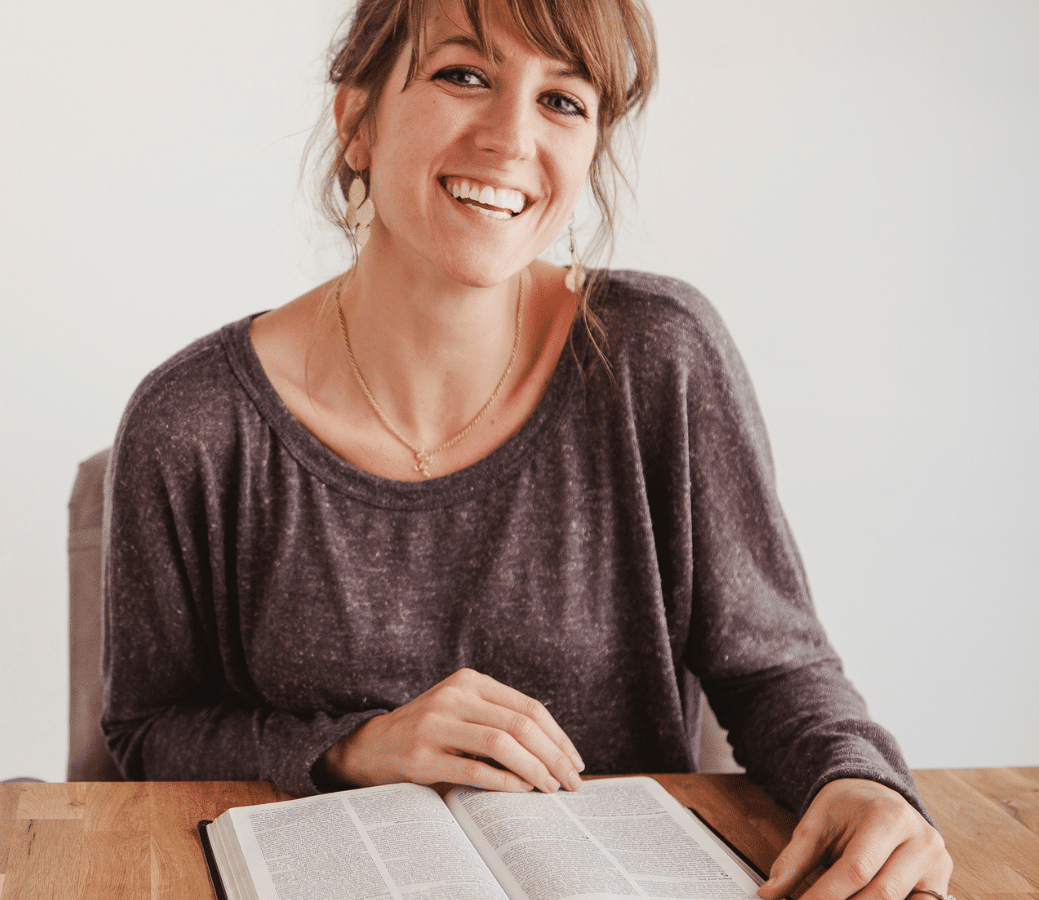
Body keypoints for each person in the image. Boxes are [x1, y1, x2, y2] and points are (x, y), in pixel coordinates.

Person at [100, 1, 953, 898]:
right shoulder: (190, 422)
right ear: (358, 119)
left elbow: (776, 669)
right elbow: (148, 732)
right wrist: (353, 746)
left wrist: (858, 778)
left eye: (562, 101)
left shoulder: (662, 357)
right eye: (464, 75)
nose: (511, 139)